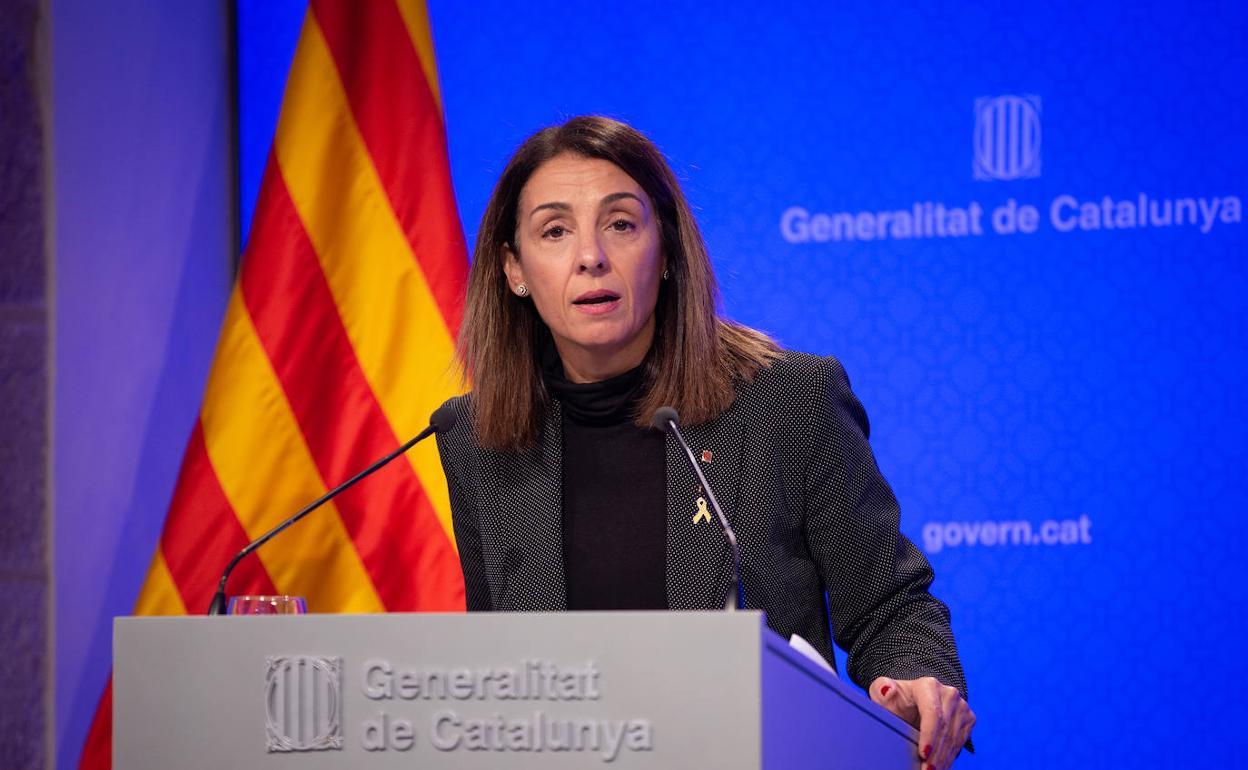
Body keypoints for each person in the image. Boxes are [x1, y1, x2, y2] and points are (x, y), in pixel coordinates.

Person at [435, 115, 975, 768]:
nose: (590, 256)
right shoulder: (474, 439)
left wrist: (916, 681)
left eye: (620, 224)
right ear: (513, 269)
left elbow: (889, 606)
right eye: (555, 231)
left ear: (666, 251)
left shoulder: (788, 401)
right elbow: (497, 664)